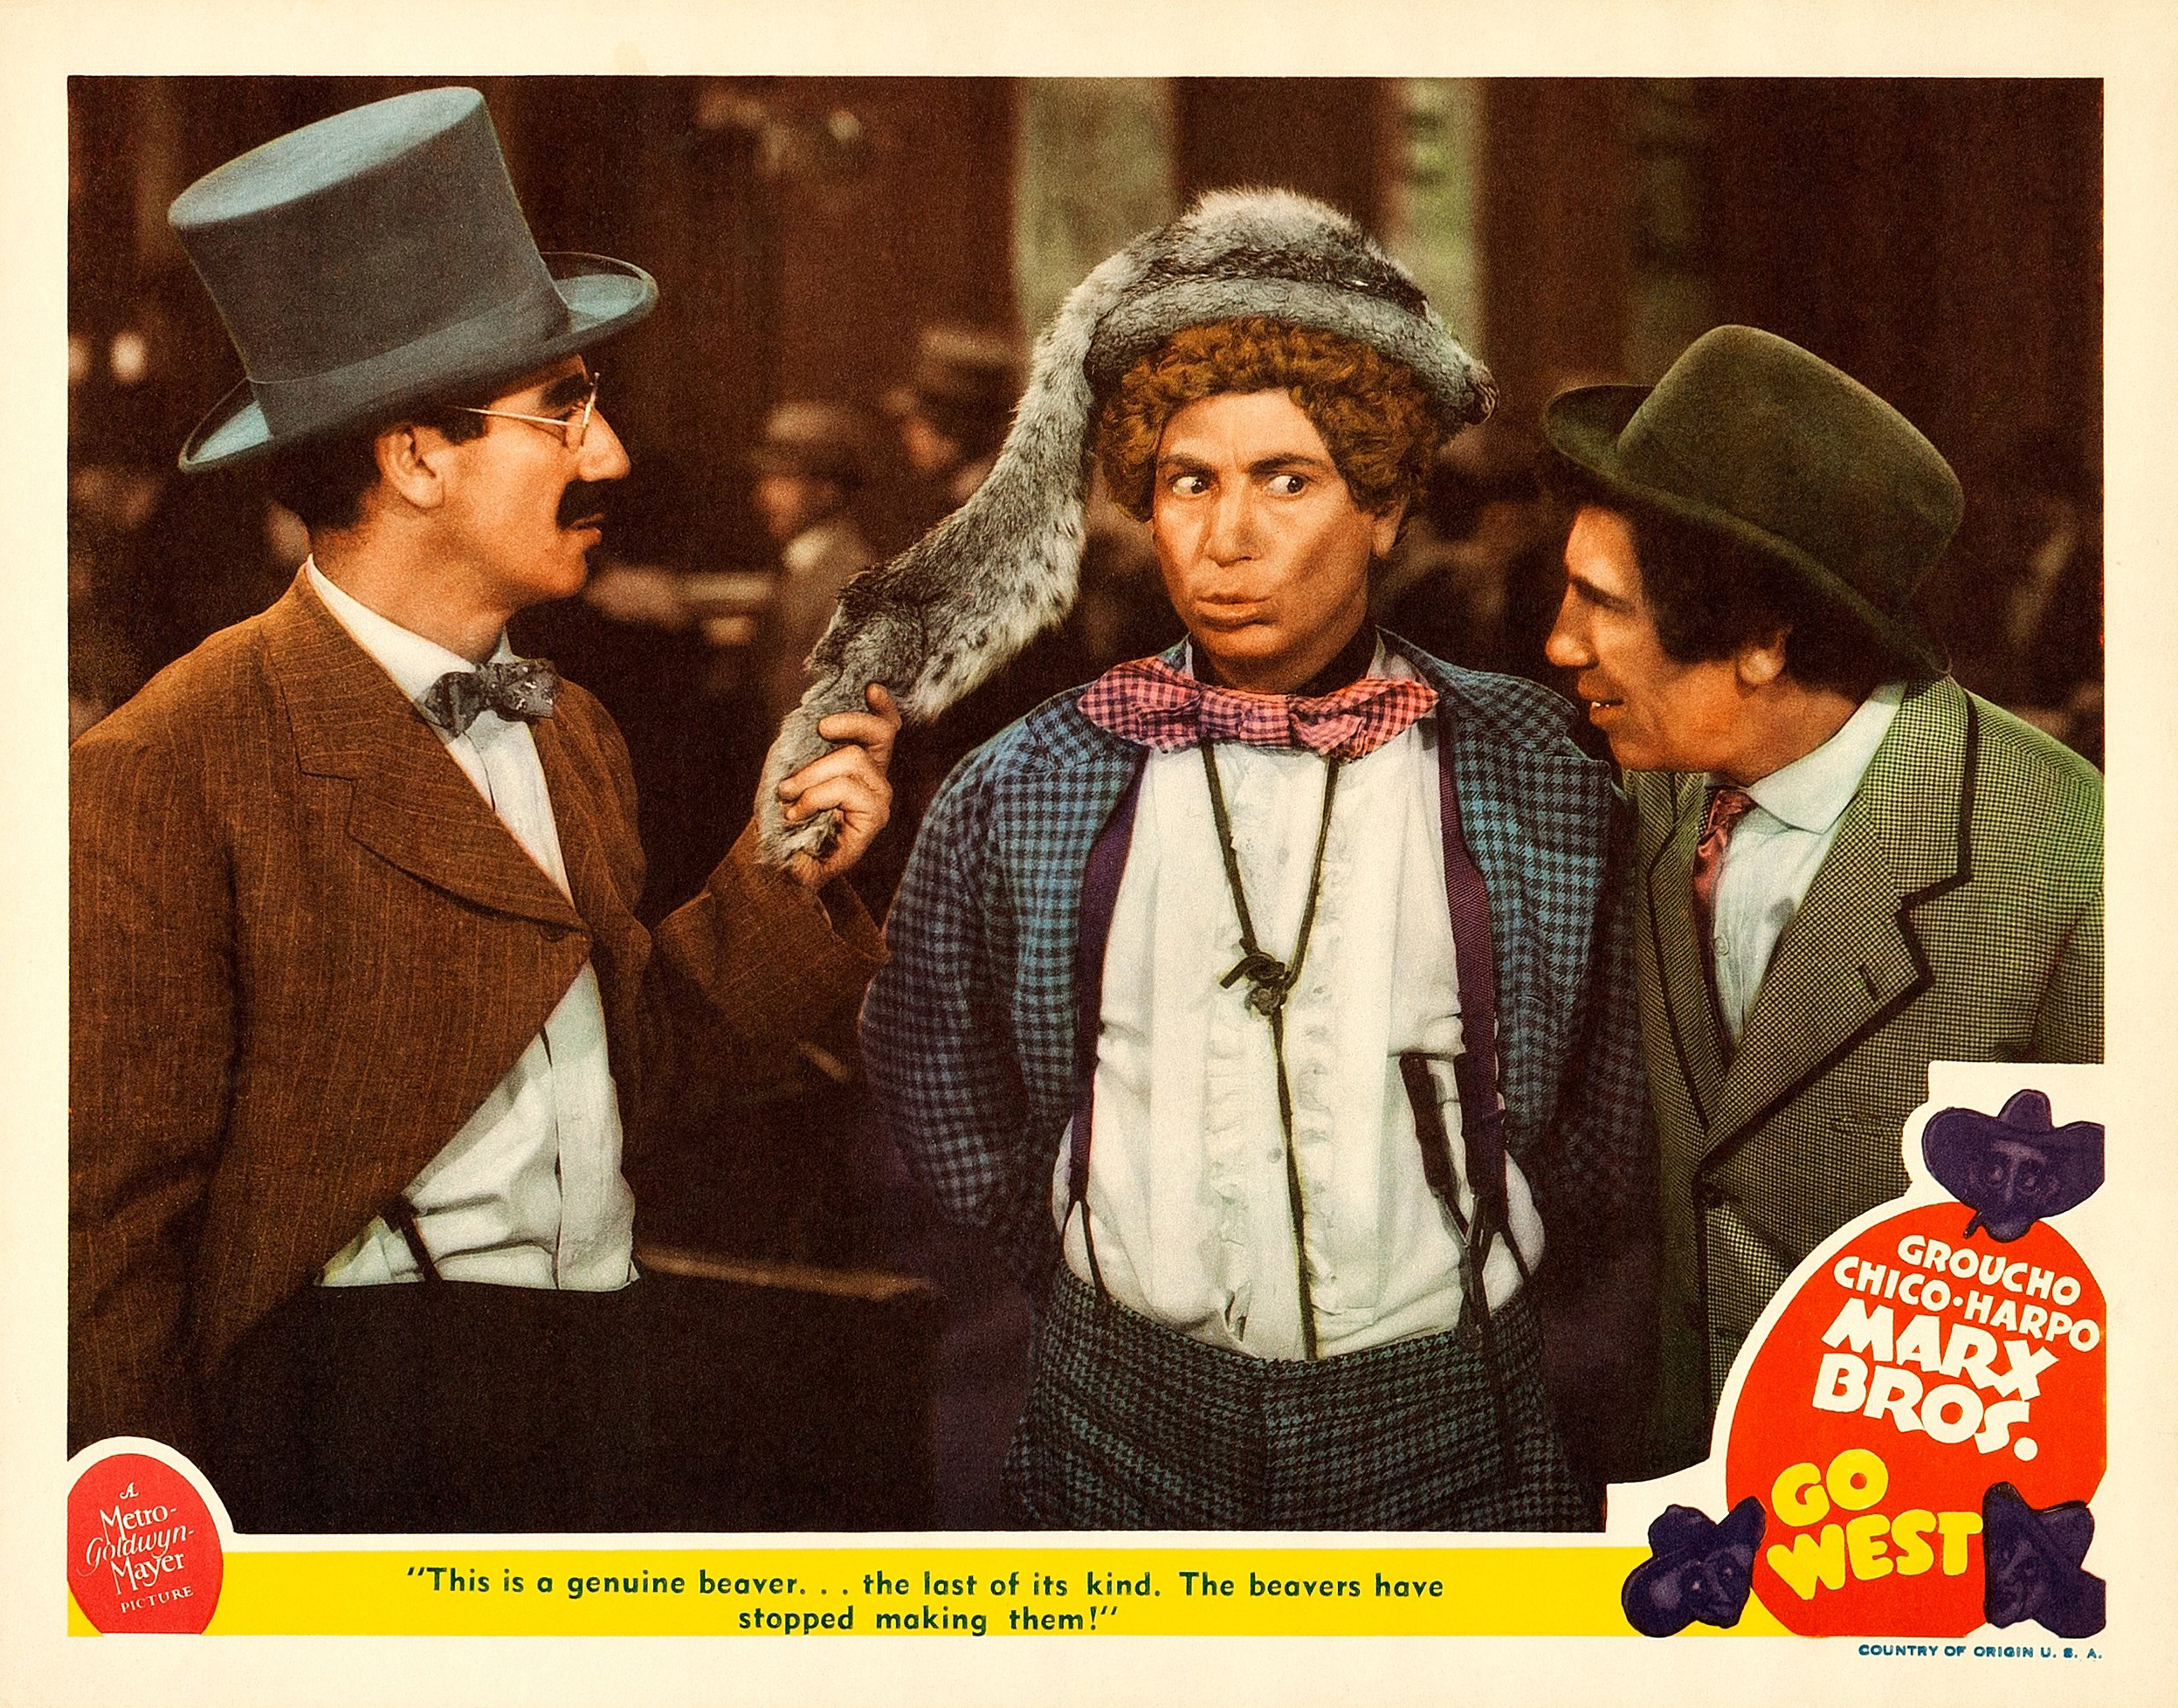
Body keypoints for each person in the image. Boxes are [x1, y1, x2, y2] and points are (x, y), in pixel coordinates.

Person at [68, 87, 899, 1533]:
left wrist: (780, 875)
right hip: (354, 1429)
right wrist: (169, 1573)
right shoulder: (170, 766)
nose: (610, 456)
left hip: (600, 1384)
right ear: (414, 456)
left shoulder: (571, 729)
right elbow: (106, 1258)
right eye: (564, 409)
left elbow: (617, 1070)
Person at [852, 190, 1652, 1530]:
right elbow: (934, 1062)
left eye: (1287, 481)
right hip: (1116, 1413)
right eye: (1189, 484)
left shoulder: (1533, 773)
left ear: (1384, 508)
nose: (1227, 538)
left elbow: (1609, 1104)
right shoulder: (1029, 782)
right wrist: (1069, 1252)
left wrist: (1494, 1258)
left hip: (1449, 1413)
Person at [1540, 324, 2103, 1474]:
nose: (1559, 642)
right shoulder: (1652, 788)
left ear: (1760, 642)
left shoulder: (2067, 859)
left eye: (1602, 604)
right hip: (1674, 1485)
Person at [748, 400, 877, 727]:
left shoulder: (850, 580)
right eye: (765, 478)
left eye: (784, 479)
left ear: (828, 489)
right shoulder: (799, 566)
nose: (764, 495)